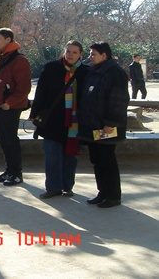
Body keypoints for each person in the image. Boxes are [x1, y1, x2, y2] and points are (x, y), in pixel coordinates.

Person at [30, 40, 88, 198]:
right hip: (53, 121)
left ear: (80, 54)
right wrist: (34, 114)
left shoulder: (85, 71)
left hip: (75, 122)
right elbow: (40, 92)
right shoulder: (52, 68)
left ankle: (67, 186)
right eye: (68, 51)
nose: (70, 55)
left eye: (74, 52)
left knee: (71, 156)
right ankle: (53, 187)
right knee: (52, 155)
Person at [78, 42, 129, 208]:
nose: (90, 57)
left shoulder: (115, 73)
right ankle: (103, 192)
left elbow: (119, 101)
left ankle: (113, 195)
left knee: (107, 159)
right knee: (97, 159)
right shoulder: (93, 72)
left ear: (104, 55)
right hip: (93, 126)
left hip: (107, 127)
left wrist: (110, 123)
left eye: (93, 54)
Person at [0, 28, 32, 187]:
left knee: (10, 139)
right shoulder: (2, 57)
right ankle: (9, 170)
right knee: (3, 139)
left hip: (9, 106)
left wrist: (9, 103)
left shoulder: (19, 60)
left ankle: (16, 173)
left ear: (8, 40)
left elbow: (24, 87)